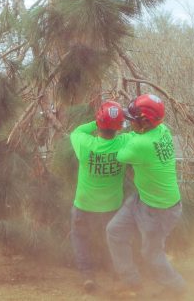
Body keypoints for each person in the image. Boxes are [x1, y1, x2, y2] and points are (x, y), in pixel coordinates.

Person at [106, 93, 186, 298]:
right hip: (142, 199)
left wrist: (123, 134)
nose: (129, 123)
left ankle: (177, 288)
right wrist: (134, 132)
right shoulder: (162, 129)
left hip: (160, 210)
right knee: (114, 231)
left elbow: (120, 155)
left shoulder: (140, 146)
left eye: (132, 120)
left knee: (151, 254)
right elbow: (135, 137)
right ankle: (130, 280)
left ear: (145, 122)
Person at [69, 100, 128, 293]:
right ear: (118, 127)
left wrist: (98, 121)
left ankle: (87, 275)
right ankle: (116, 273)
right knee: (113, 239)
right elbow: (139, 132)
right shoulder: (124, 143)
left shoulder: (84, 143)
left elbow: (76, 131)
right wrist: (117, 119)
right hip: (111, 206)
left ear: (99, 124)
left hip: (84, 204)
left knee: (80, 238)